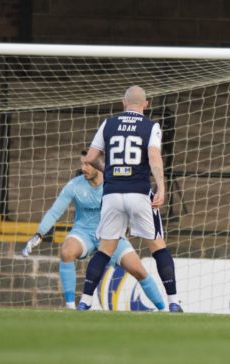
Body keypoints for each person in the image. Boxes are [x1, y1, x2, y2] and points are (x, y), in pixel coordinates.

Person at [78, 86, 182, 312]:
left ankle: (85, 300)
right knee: (157, 247)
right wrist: (162, 187)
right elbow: (154, 156)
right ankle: (173, 302)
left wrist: (108, 170)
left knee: (105, 249)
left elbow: (92, 157)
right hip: (139, 192)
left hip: (113, 193)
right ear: (146, 105)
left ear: (123, 102)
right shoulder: (151, 126)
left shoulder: (109, 123)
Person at [22, 151, 165, 311]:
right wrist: (39, 234)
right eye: (82, 163)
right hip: (83, 233)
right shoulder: (74, 185)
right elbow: (55, 212)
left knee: (138, 270)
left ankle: (164, 308)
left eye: (87, 164)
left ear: (99, 165)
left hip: (111, 235)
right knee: (67, 251)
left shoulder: (115, 184)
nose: (83, 168)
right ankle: (70, 307)